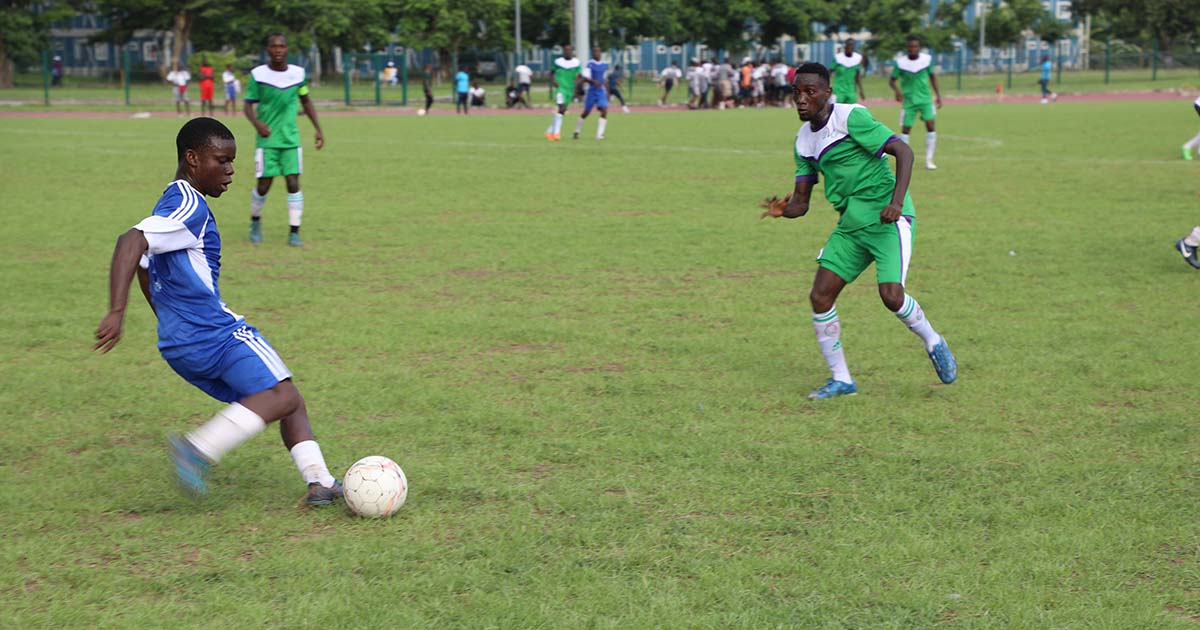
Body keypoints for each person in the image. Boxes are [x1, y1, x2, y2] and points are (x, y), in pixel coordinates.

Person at [94, 117, 343, 506]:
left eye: (232, 162)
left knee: (286, 396)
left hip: (180, 344)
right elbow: (131, 241)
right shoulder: (189, 206)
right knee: (281, 393)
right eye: (221, 161)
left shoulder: (170, 203)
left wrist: (169, 321)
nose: (229, 171)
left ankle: (320, 484)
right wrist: (116, 310)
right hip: (216, 335)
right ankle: (198, 448)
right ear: (193, 158)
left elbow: (144, 266)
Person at [759, 63, 957, 399]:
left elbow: (903, 151)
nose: (802, 99)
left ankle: (933, 340)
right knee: (820, 296)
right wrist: (783, 210)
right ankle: (842, 380)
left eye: (810, 92)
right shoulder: (803, 141)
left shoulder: (850, 117)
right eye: (797, 92)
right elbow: (802, 203)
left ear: (827, 93)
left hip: (887, 219)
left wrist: (896, 203)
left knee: (891, 296)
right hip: (851, 226)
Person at [244, 33, 325, 247]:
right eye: (274, 46)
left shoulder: (298, 74)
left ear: (287, 49)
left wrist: (318, 129)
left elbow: (306, 101)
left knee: (293, 182)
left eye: (282, 46)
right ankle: (255, 222)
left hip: (290, 140)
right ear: (268, 50)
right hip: (267, 140)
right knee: (264, 185)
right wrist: (257, 124)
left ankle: (294, 232)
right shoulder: (258, 75)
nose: (278, 50)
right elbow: (247, 105)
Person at [889, 36, 942, 170]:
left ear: (919, 47)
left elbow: (932, 78)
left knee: (931, 126)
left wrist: (938, 95)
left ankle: (929, 160)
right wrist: (897, 91)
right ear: (907, 48)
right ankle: (904, 160)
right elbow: (892, 80)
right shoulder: (901, 63)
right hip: (909, 101)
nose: (913, 49)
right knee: (906, 129)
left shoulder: (926, 60)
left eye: (915, 46)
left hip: (925, 99)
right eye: (910, 46)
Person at [544, 45, 581, 142]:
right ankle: (556, 134)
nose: (568, 52)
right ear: (563, 51)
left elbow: (579, 75)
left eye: (569, 50)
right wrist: (554, 81)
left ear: (572, 51)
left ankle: (549, 131)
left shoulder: (576, 62)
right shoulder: (558, 61)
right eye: (566, 50)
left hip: (570, 89)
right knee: (561, 108)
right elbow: (551, 72)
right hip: (560, 88)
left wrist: (576, 84)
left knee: (562, 111)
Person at [574, 47, 610, 140]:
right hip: (592, 91)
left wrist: (608, 92)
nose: (596, 53)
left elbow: (605, 79)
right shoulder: (590, 64)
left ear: (600, 53)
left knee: (604, 110)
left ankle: (599, 134)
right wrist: (593, 81)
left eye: (598, 51)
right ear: (592, 53)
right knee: (586, 112)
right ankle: (577, 131)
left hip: (601, 91)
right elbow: (585, 77)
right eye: (595, 52)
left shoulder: (604, 65)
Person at [831, 39, 866, 105]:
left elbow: (857, 77)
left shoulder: (857, 59)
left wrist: (861, 91)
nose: (850, 48)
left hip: (851, 90)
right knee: (837, 108)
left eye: (852, 46)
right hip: (838, 90)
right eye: (849, 46)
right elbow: (829, 72)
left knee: (851, 108)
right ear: (845, 47)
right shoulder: (838, 58)